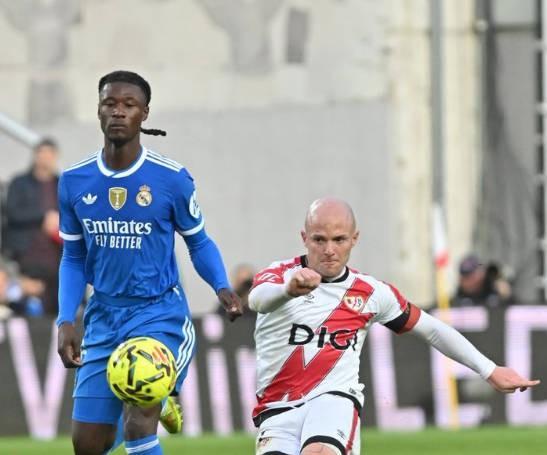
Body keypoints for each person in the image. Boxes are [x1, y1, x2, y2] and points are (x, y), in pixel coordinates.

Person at [248, 197, 540, 455]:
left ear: (354, 239)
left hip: (334, 401)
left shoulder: (372, 293)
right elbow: (257, 300)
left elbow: (432, 329)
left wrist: (489, 370)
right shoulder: (279, 275)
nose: (329, 250)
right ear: (304, 237)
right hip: (277, 409)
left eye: (339, 239)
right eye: (319, 240)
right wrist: (288, 290)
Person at [56, 70, 243, 455]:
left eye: (129, 105)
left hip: (157, 314)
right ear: (98, 110)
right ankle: (163, 400)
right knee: (87, 446)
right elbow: (73, 257)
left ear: (145, 114)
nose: (118, 112)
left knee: (138, 422)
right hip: (103, 316)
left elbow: (198, 242)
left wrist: (222, 286)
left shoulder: (171, 179)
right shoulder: (74, 181)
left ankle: (158, 397)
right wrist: (65, 319)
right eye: (110, 103)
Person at [4, 138, 61, 315]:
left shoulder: (61, 183)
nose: (45, 158)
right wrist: (43, 217)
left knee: (56, 307)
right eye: (42, 154)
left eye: (49, 154)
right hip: (26, 256)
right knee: (27, 306)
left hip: (56, 257)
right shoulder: (20, 183)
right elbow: (12, 212)